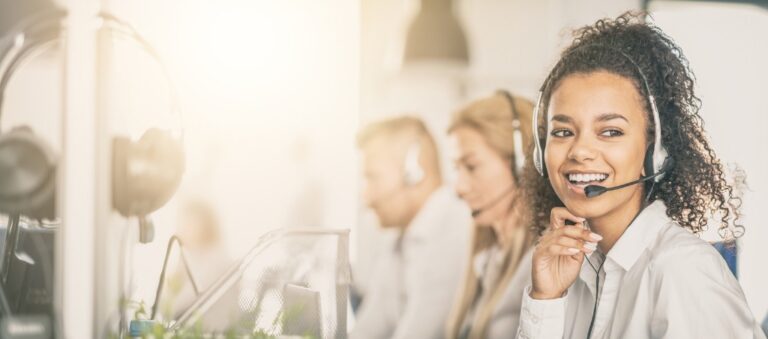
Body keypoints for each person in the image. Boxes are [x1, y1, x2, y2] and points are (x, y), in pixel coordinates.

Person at [516, 12, 765, 339]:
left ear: (655, 150)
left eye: (610, 131)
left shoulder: (682, 271)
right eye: (563, 132)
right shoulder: (572, 272)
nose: (579, 151)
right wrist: (545, 300)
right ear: (540, 151)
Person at [351, 116, 471, 339]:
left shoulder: (453, 231)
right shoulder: (401, 236)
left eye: (373, 178)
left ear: (413, 171)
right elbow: (369, 328)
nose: (366, 196)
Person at [444, 91, 537, 339]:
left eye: (471, 166)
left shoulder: (541, 264)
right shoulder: (489, 256)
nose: (459, 187)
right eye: (456, 168)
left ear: (522, 165)